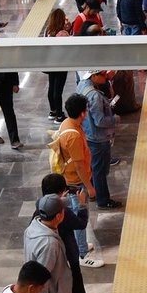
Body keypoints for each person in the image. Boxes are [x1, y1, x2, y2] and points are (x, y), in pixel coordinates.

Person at [41, 174, 102, 293]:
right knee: (76, 285)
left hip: (54, 260)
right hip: (68, 255)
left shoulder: (40, 209)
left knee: (57, 289)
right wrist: (82, 205)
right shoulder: (63, 212)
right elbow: (81, 224)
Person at [55, 93, 98, 264]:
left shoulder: (68, 123)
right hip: (76, 182)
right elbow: (79, 165)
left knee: (78, 213)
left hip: (73, 178)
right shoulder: (72, 135)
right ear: (82, 113)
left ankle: (81, 245)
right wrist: (89, 187)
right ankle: (82, 254)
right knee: (79, 215)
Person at [76, 71, 121, 209]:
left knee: (93, 167)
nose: (106, 77)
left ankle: (94, 192)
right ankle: (103, 200)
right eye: (103, 75)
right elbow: (99, 120)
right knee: (100, 170)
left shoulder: (81, 86)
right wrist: (115, 119)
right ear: (94, 76)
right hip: (98, 138)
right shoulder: (95, 95)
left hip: (88, 133)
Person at [42, 9, 71, 123]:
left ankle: (53, 111)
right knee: (58, 90)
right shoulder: (63, 33)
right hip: (60, 64)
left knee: (51, 87)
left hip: (50, 63)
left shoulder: (48, 31)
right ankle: (59, 115)